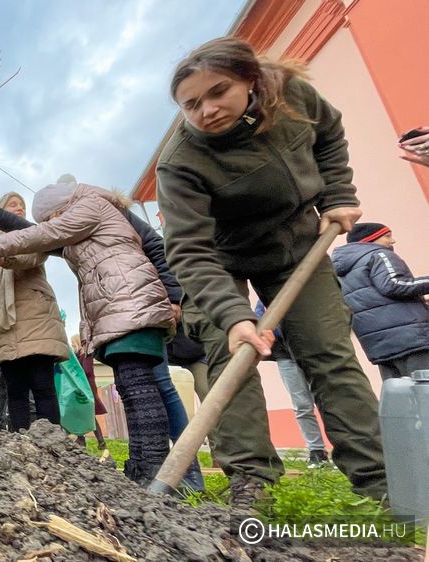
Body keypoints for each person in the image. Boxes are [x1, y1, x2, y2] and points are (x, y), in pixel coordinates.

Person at [156, 36, 387, 510]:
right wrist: (234, 315)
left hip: (299, 245)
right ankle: (250, 479)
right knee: (229, 356)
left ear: (250, 80)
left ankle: (379, 479)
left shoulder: (292, 96)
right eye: (191, 104)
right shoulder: (181, 162)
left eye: (218, 92)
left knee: (328, 353)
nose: (207, 110)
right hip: (219, 261)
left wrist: (339, 193)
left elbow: (330, 133)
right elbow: (189, 249)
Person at [0, 183, 175, 485]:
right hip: (119, 305)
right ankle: (141, 468)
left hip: (129, 301)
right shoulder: (78, 221)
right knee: (132, 389)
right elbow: (37, 231)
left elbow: (42, 236)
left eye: (50, 217)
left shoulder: (89, 206)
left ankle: (156, 473)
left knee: (140, 390)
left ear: (59, 209)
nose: (50, 224)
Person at [0, 192, 70, 432]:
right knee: (15, 390)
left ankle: (53, 443)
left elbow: (30, 256)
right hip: (5, 324)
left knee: (43, 385)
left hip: (36, 318)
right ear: (0, 211)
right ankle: (20, 442)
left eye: (21, 205)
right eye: (12, 205)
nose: (19, 209)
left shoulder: (35, 236)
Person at [331, 223, 429, 379]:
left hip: (379, 346)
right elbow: (394, 285)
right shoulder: (379, 255)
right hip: (411, 339)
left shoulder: (341, 270)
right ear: (370, 239)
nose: (393, 241)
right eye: (387, 236)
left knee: (401, 396)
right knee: (424, 390)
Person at [254, 301, 330, 469]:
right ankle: (317, 451)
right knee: (302, 404)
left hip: (314, 352)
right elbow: (260, 322)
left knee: (328, 400)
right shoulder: (264, 298)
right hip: (285, 356)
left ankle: (344, 448)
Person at [70, 335, 108, 450]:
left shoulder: (85, 356)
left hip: (85, 390)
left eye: (73, 344)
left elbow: (87, 372)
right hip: (82, 389)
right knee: (85, 414)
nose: (72, 347)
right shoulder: (79, 357)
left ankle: (83, 440)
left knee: (85, 413)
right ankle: (96, 441)